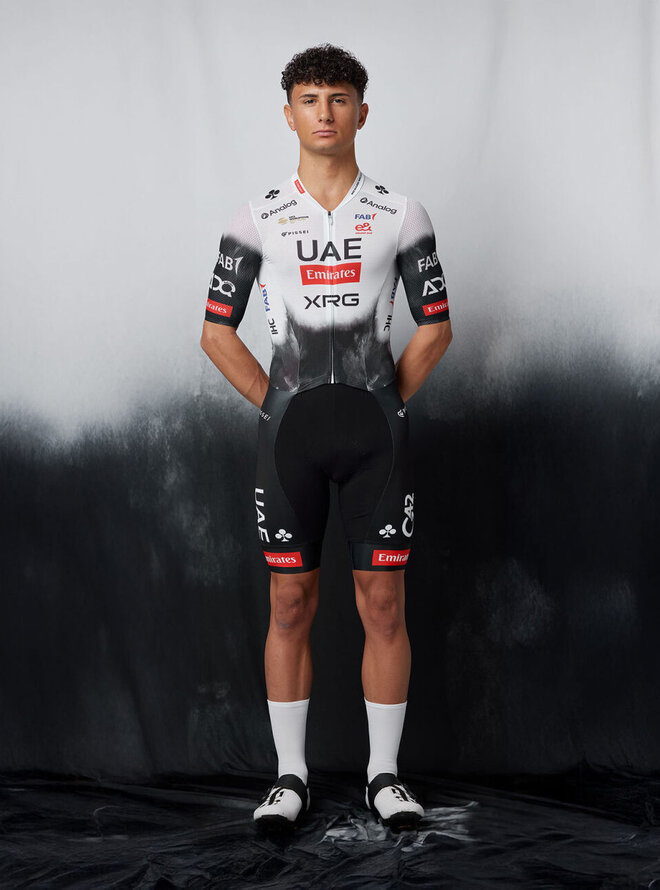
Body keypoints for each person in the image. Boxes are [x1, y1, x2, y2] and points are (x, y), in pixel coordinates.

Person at [200, 43, 452, 831]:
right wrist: (275, 405)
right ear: (288, 114)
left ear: (361, 112)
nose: (325, 113)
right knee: (288, 602)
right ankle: (289, 778)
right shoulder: (256, 216)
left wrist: (385, 403)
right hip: (291, 440)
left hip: (377, 436)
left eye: (339, 99)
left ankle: (385, 777)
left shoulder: (401, 213)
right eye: (310, 99)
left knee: (383, 603)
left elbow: (437, 326)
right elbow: (215, 332)